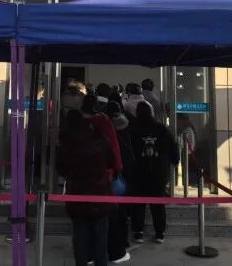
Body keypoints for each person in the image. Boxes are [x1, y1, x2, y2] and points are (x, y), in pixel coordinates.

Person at [57, 110, 115, 266]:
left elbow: (61, 168)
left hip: (77, 195)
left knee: (80, 238)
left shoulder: (66, 144)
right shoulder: (100, 140)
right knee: (101, 238)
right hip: (100, 193)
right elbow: (111, 162)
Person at [130, 101, 179, 244]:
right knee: (158, 205)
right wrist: (174, 160)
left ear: (137, 113)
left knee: (138, 205)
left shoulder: (133, 130)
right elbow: (173, 149)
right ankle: (159, 233)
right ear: (151, 113)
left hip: (138, 173)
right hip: (159, 173)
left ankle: (138, 232)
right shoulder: (162, 129)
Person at [106, 101, 133, 263]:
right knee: (121, 212)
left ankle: (108, 244)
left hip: (109, 175)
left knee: (110, 213)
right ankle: (123, 241)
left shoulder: (104, 128)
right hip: (123, 174)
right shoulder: (127, 126)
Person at [81, 95, 123, 176]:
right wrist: (117, 166)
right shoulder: (104, 121)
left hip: (81, 170)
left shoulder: (77, 121)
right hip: (103, 169)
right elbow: (113, 144)